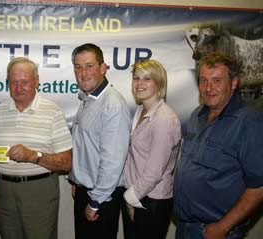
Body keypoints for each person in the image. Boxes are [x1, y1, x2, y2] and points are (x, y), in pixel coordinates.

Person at [0, 57, 72, 239]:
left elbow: (67, 163)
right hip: (4, 192)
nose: (18, 88)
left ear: (36, 81)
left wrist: (34, 156)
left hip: (39, 192)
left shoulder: (52, 112)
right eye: (13, 82)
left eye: (24, 82)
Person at [174, 51, 263, 239]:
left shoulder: (250, 122)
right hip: (184, 227)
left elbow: (259, 186)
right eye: (204, 80)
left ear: (234, 82)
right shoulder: (197, 114)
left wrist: (223, 227)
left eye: (217, 81)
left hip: (215, 232)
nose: (208, 88)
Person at [68, 43, 131, 239]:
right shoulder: (88, 100)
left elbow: (112, 162)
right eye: (78, 66)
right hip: (86, 190)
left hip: (102, 198)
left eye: (89, 65)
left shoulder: (112, 104)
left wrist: (94, 202)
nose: (83, 72)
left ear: (103, 68)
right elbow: (87, 148)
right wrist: (75, 178)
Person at [119, 59, 181, 239]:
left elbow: (153, 172)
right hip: (135, 196)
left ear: (159, 83)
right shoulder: (140, 111)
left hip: (151, 202)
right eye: (136, 78)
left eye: (147, 79)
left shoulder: (164, 120)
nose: (139, 83)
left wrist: (130, 199)